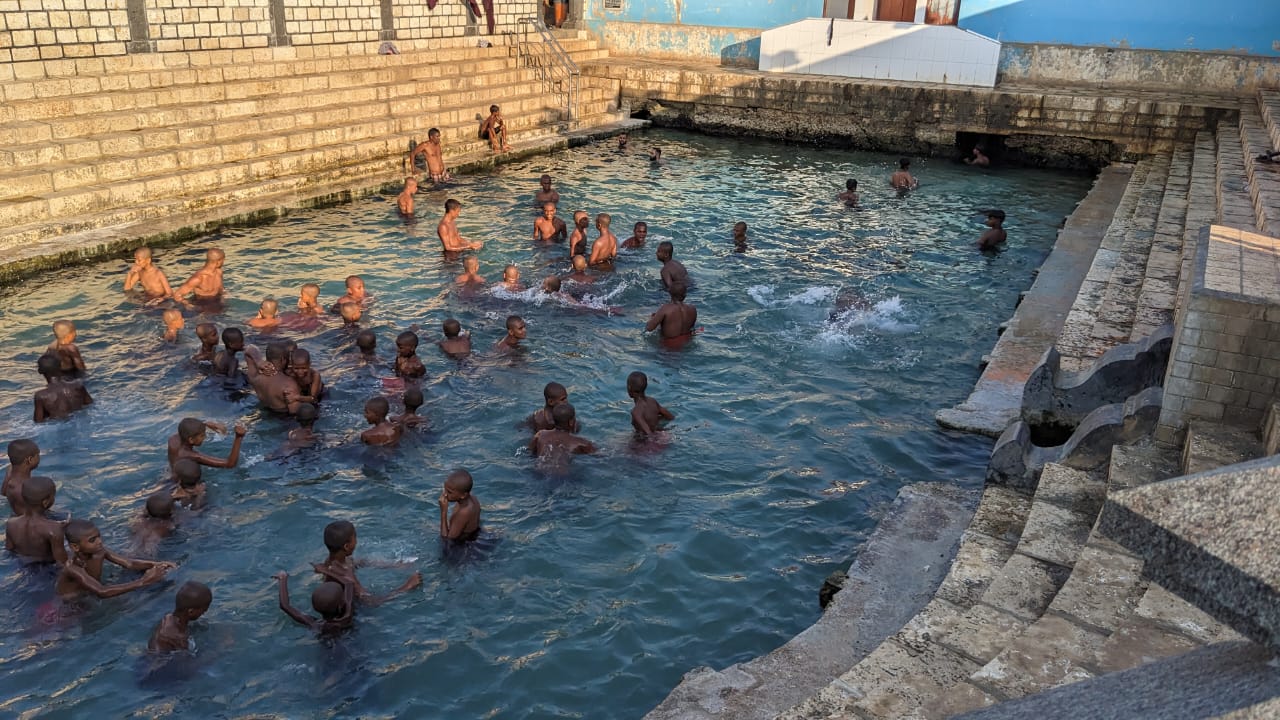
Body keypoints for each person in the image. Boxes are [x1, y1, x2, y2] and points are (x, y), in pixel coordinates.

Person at [56, 519, 174, 600]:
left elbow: (129, 563)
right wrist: (144, 581)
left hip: (89, 595)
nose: (99, 541)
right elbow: (101, 591)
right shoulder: (72, 568)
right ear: (75, 547)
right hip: (70, 606)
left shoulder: (100, 551)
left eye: (99, 537)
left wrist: (157, 564)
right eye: (92, 540)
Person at [312, 520, 421, 606]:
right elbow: (371, 602)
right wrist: (407, 587)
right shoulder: (347, 577)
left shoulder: (332, 560)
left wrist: (393, 565)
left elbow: (361, 562)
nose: (356, 541)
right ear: (346, 546)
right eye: (355, 538)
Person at [4, 476, 68, 565]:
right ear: (45, 502)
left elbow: (9, 550)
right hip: (47, 570)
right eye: (53, 496)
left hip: (23, 566)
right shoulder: (54, 529)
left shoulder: (11, 523)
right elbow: (62, 563)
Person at [275, 572, 354, 635]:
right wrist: (325, 571)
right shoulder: (346, 618)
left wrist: (282, 578)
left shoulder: (314, 624)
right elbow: (349, 584)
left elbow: (285, 606)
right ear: (340, 605)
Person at [167, 417, 246, 476]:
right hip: (180, 486)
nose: (204, 437)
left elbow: (185, 429)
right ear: (191, 439)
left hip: (170, 476)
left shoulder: (173, 440)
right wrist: (238, 437)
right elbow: (230, 464)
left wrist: (204, 424)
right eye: (202, 435)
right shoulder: (192, 455)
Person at [148, 581, 213, 652]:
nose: (205, 612)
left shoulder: (168, 617)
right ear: (191, 612)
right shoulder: (179, 639)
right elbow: (189, 662)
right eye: (204, 609)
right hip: (161, 661)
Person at [244, 343, 306, 414]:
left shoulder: (255, 377)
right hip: (284, 419)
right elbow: (295, 413)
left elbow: (249, 348)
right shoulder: (289, 384)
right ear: (283, 360)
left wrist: (259, 361)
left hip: (265, 413)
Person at [34, 353, 93, 423]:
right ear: (60, 366)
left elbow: (38, 422)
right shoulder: (78, 385)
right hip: (81, 422)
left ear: (39, 371)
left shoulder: (41, 396)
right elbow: (90, 405)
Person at [530, 403, 596, 459]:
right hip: (564, 474)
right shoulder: (581, 443)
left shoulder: (540, 434)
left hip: (537, 472)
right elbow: (600, 456)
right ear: (571, 422)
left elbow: (530, 451)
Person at [646, 280, 698, 347]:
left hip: (669, 346)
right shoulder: (693, 309)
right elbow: (692, 328)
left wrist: (653, 318)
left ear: (670, 293)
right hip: (686, 341)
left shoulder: (666, 309)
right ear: (685, 294)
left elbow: (649, 328)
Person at [438, 469, 481, 542]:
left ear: (463, 495)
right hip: (475, 534)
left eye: (449, 492)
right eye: (445, 489)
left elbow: (447, 539)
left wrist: (443, 511)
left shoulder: (464, 512)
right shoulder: (473, 499)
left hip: (463, 543)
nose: (445, 494)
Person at [627, 371, 674, 436]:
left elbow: (648, 433)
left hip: (645, 441)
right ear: (646, 385)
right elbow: (670, 417)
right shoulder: (653, 401)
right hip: (660, 434)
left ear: (629, 388)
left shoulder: (636, 412)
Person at [3, 438, 42, 515]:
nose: (39, 458)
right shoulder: (25, 489)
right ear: (30, 459)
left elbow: (3, 494)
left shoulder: (10, 473)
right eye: (38, 455)